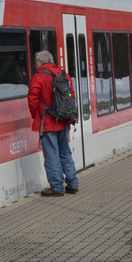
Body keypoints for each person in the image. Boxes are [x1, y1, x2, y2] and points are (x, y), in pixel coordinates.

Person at [28, 50, 79, 197]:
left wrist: (36, 116)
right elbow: (72, 96)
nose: (35, 64)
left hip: (48, 122)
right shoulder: (63, 74)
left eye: (36, 62)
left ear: (40, 62)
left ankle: (56, 187)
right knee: (65, 152)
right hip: (64, 120)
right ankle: (73, 184)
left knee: (51, 155)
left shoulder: (38, 77)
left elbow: (32, 100)